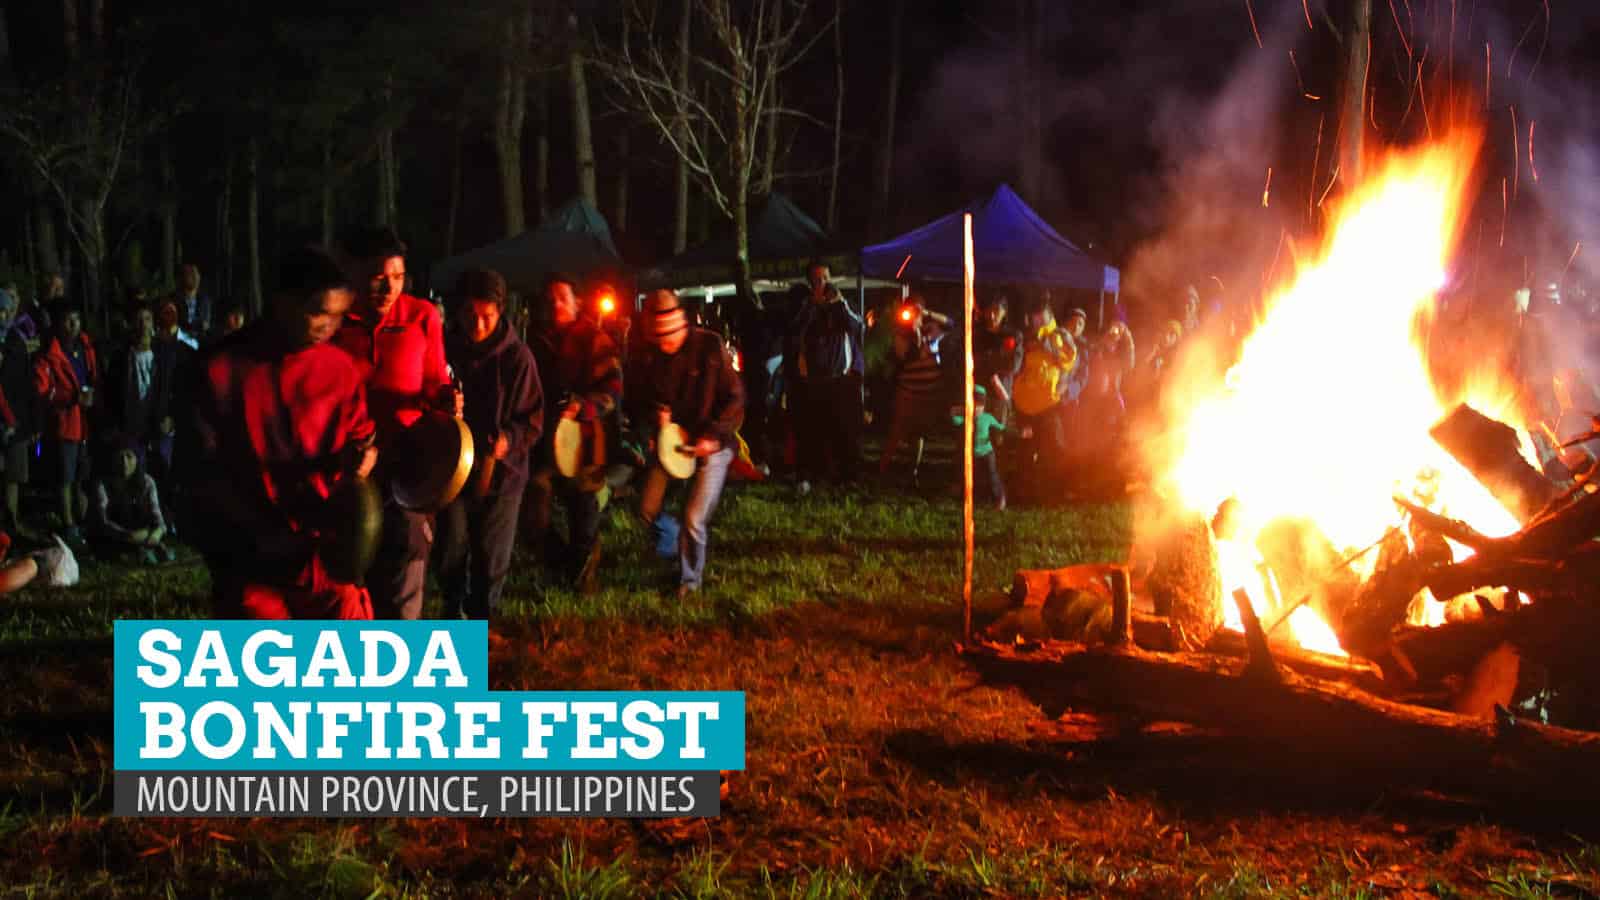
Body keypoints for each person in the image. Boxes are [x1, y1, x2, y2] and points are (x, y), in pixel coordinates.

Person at [184, 245, 378, 620]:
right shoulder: (220, 369)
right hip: (250, 555)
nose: (329, 327)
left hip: (321, 556)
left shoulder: (340, 369)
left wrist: (360, 462)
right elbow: (200, 474)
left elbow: (361, 440)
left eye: (339, 316)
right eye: (318, 312)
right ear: (282, 302)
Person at [331, 225, 455, 620]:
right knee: (350, 568)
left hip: (408, 463)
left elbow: (435, 381)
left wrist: (446, 401)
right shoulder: (333, 322)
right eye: (378, 278)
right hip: (350, 465)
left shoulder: (421, 317)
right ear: (355, 273)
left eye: (398, 278)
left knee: (407, 556)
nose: (389, 289)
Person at [437, 269, 544, 619]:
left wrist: (508, 440)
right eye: (470, 315)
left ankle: (483, 621)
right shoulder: (446, 349)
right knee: (451, 548)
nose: (478, 324)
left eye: (487, 316)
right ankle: (452, 614)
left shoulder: (517, 358)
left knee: (490, 555)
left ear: (500, 313)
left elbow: (533, 419)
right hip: (454, 469)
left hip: (502, 474)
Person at [625, 290, 744, 596]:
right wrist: (656, 424)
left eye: (669, 334)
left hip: (711, 443)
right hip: (673, 442)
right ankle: (675, 544)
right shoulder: (650, 357)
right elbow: (641, 402)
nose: (664, 343)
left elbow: (735, 398)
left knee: (693, 517)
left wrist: (713, 437)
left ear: (682, 323)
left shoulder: (709, 346)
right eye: (657, 336)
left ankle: (689, 582)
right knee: (647, 509)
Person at [524, 272, 622, 593]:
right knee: (532, 517)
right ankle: (565, 564)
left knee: (583, 521)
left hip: (586, 446)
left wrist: (584, 406)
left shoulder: (594, 340)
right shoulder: (534, 341)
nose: (555, 305)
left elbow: (612, 390)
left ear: (577, 302)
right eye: (550, 299)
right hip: (542, 445)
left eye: (562, 299)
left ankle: (581, 585)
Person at [785, 263, 864, 489]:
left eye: (826, 278)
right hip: (815, 381)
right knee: (814, 432)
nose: (823, 284)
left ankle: (848, 478)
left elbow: (857, 327)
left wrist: (837, 303)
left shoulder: (842, 304)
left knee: (846, 432)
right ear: (811, 284)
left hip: (843, 379)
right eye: (817, 280)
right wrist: (812, 306)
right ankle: (815, 474)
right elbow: (794, 330)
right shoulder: (805, 308)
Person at [33, 306, 99, 544]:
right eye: (67, 320)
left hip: (85, 422)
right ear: (58, 325)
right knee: (65, 477)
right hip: (64, 424)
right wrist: (70, 398)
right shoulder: (48, 355)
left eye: (76, 319)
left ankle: (82, 523)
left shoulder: (85, 347)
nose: (73, 325)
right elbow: (42, 390)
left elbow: (92, 376)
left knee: (82, 475)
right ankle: (69, 525)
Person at [879, 297, 950, 484]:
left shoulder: (931, 329)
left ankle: (913, 471)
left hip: (927, 393)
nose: (913, 315)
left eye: (916, 312)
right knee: (897, 431)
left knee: (919, 433)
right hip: (908, 392)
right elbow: (906, 358)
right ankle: (882, 468)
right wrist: (915, 335)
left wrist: (928, 314)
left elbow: (951, 324)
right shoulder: (900, 334)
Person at [1011, 299, 1076, 490]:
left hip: (1049, 403)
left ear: (1050, 316)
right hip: (1025, 404)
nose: (1038, 321)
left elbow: (1069, 360)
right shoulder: (1026, 337)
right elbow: (1018, 365)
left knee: (1054, 446)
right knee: (1026, 448)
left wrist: (1049, 344)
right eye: (1035, 317)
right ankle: (1026, 488)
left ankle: (1054, 487)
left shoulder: (1059, 335)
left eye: (1042, 317)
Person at [90, 436, 173, 564]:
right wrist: (128, 535)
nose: (124, 463)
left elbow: (158, 518)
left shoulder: (147, 482)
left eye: (129, 456)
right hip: (117, 534)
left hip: (142, 531)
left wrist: (155, 534)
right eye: (120, 457)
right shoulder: (103, 483)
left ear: (137, 459)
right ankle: (141, 551)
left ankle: (143, 550)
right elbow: (104, 520)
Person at [0, 290, 39, 537]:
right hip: (4, 420)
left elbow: (27, 382)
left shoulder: (16, 340)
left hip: (17, 419)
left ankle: (11, 523)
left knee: (14, 475)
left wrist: (31, 420)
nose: (5, 313)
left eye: (8, 308)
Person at [952, 385, 1007, 510]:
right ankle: (970, 495)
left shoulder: (987, 418)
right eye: (973, 405)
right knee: (970, 474)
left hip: (987, 453)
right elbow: (955, 420)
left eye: (979, 406)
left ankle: (999, 497)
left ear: (983, 406)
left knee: (992, 475)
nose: (976, 409)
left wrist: (1019, 433)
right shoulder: (965, 418)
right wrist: (957, 411)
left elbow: (1001, 428)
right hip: (972, 454)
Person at [973, 294, 1024, 424]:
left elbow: (1013, 365)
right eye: (988, 311)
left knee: (998, 435)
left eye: (996, 310)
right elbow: (973, 361)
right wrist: (996, 359)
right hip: (978, 394)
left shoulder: (1013, 335)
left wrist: (986, 360)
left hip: (1000, 395)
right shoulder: (977, 333)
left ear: (1004, 312)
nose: (991, 315)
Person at [175, 263, 213, 340]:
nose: (195, 277)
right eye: (191, 273)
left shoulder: (205, 300)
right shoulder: (174, 300)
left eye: (197, 273)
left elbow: (206, 325)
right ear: (182, 277)